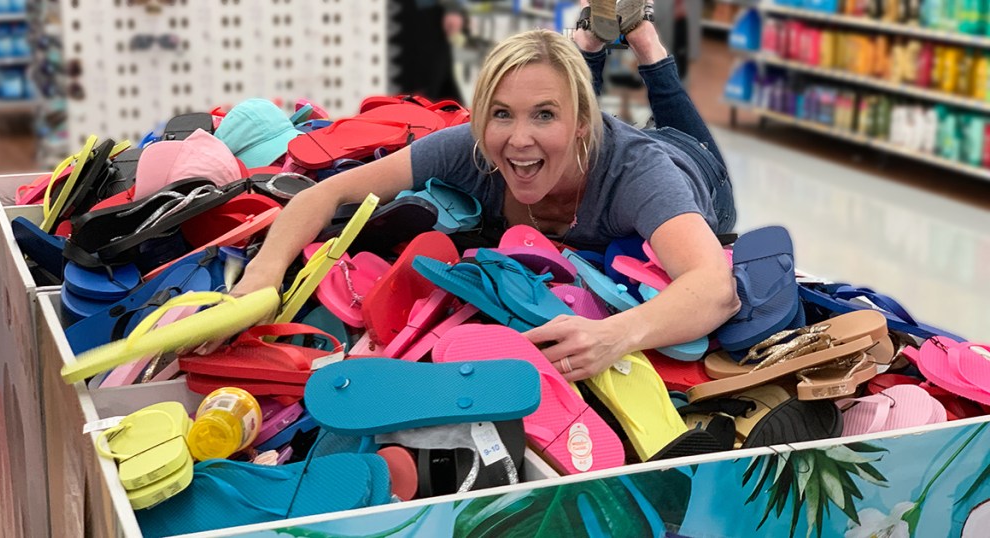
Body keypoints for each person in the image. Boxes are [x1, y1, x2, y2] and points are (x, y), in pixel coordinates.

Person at [229, 3, 740, 382]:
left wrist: (615, 334)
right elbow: (325, 194)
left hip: (690, 164)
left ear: (583, 125)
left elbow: (715, 288)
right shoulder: (469, 147)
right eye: (501, 113)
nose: (516, 139)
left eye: (542, 114)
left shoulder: (640, 174)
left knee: (668, 107)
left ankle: (642, 37)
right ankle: (587, 46)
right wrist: (262, 277)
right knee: (553, 112)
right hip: (590, 136)